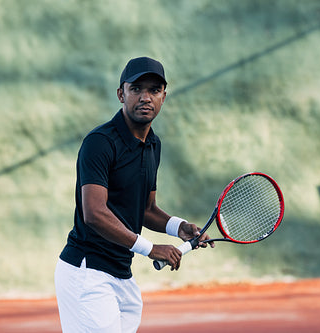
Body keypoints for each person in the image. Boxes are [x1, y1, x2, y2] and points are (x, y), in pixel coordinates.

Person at [54, 56, 213, 333]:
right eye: (136, 89)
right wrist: (151, 248)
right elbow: (94, 214)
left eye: (154, 90)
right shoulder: (99, 143)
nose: (145, 97)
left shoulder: (153, 145)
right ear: (121, 94)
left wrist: (179, 227)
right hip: (87, 273)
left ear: (164, 96)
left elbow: (146, 208)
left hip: (122, 276)